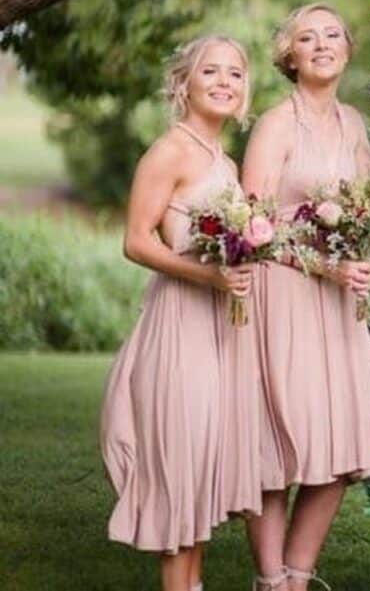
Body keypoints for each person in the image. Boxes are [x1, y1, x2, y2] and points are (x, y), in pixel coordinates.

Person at [100, 35, 260, 591]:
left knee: (200, 480)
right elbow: (136, 242)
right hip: (179, 326)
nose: (224, 82)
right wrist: (207, 275)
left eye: (235, 73)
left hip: (221, 329)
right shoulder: (170, 151)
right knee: (179, 480)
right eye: (211, 71)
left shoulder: (226, 160)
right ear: (184, 83)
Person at [241, 3, 370, 591]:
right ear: (288, 56)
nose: (321, 44)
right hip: (286, 296)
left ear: (347, 49)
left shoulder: (354, 124)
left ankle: (298, 578)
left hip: (339, 303)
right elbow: (248, 225)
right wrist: (324, 264)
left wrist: (367, 255)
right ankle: (270, 581)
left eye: (331, 34)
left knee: (341, 446)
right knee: (282, 445)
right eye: (307, 36)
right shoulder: (277, 123)